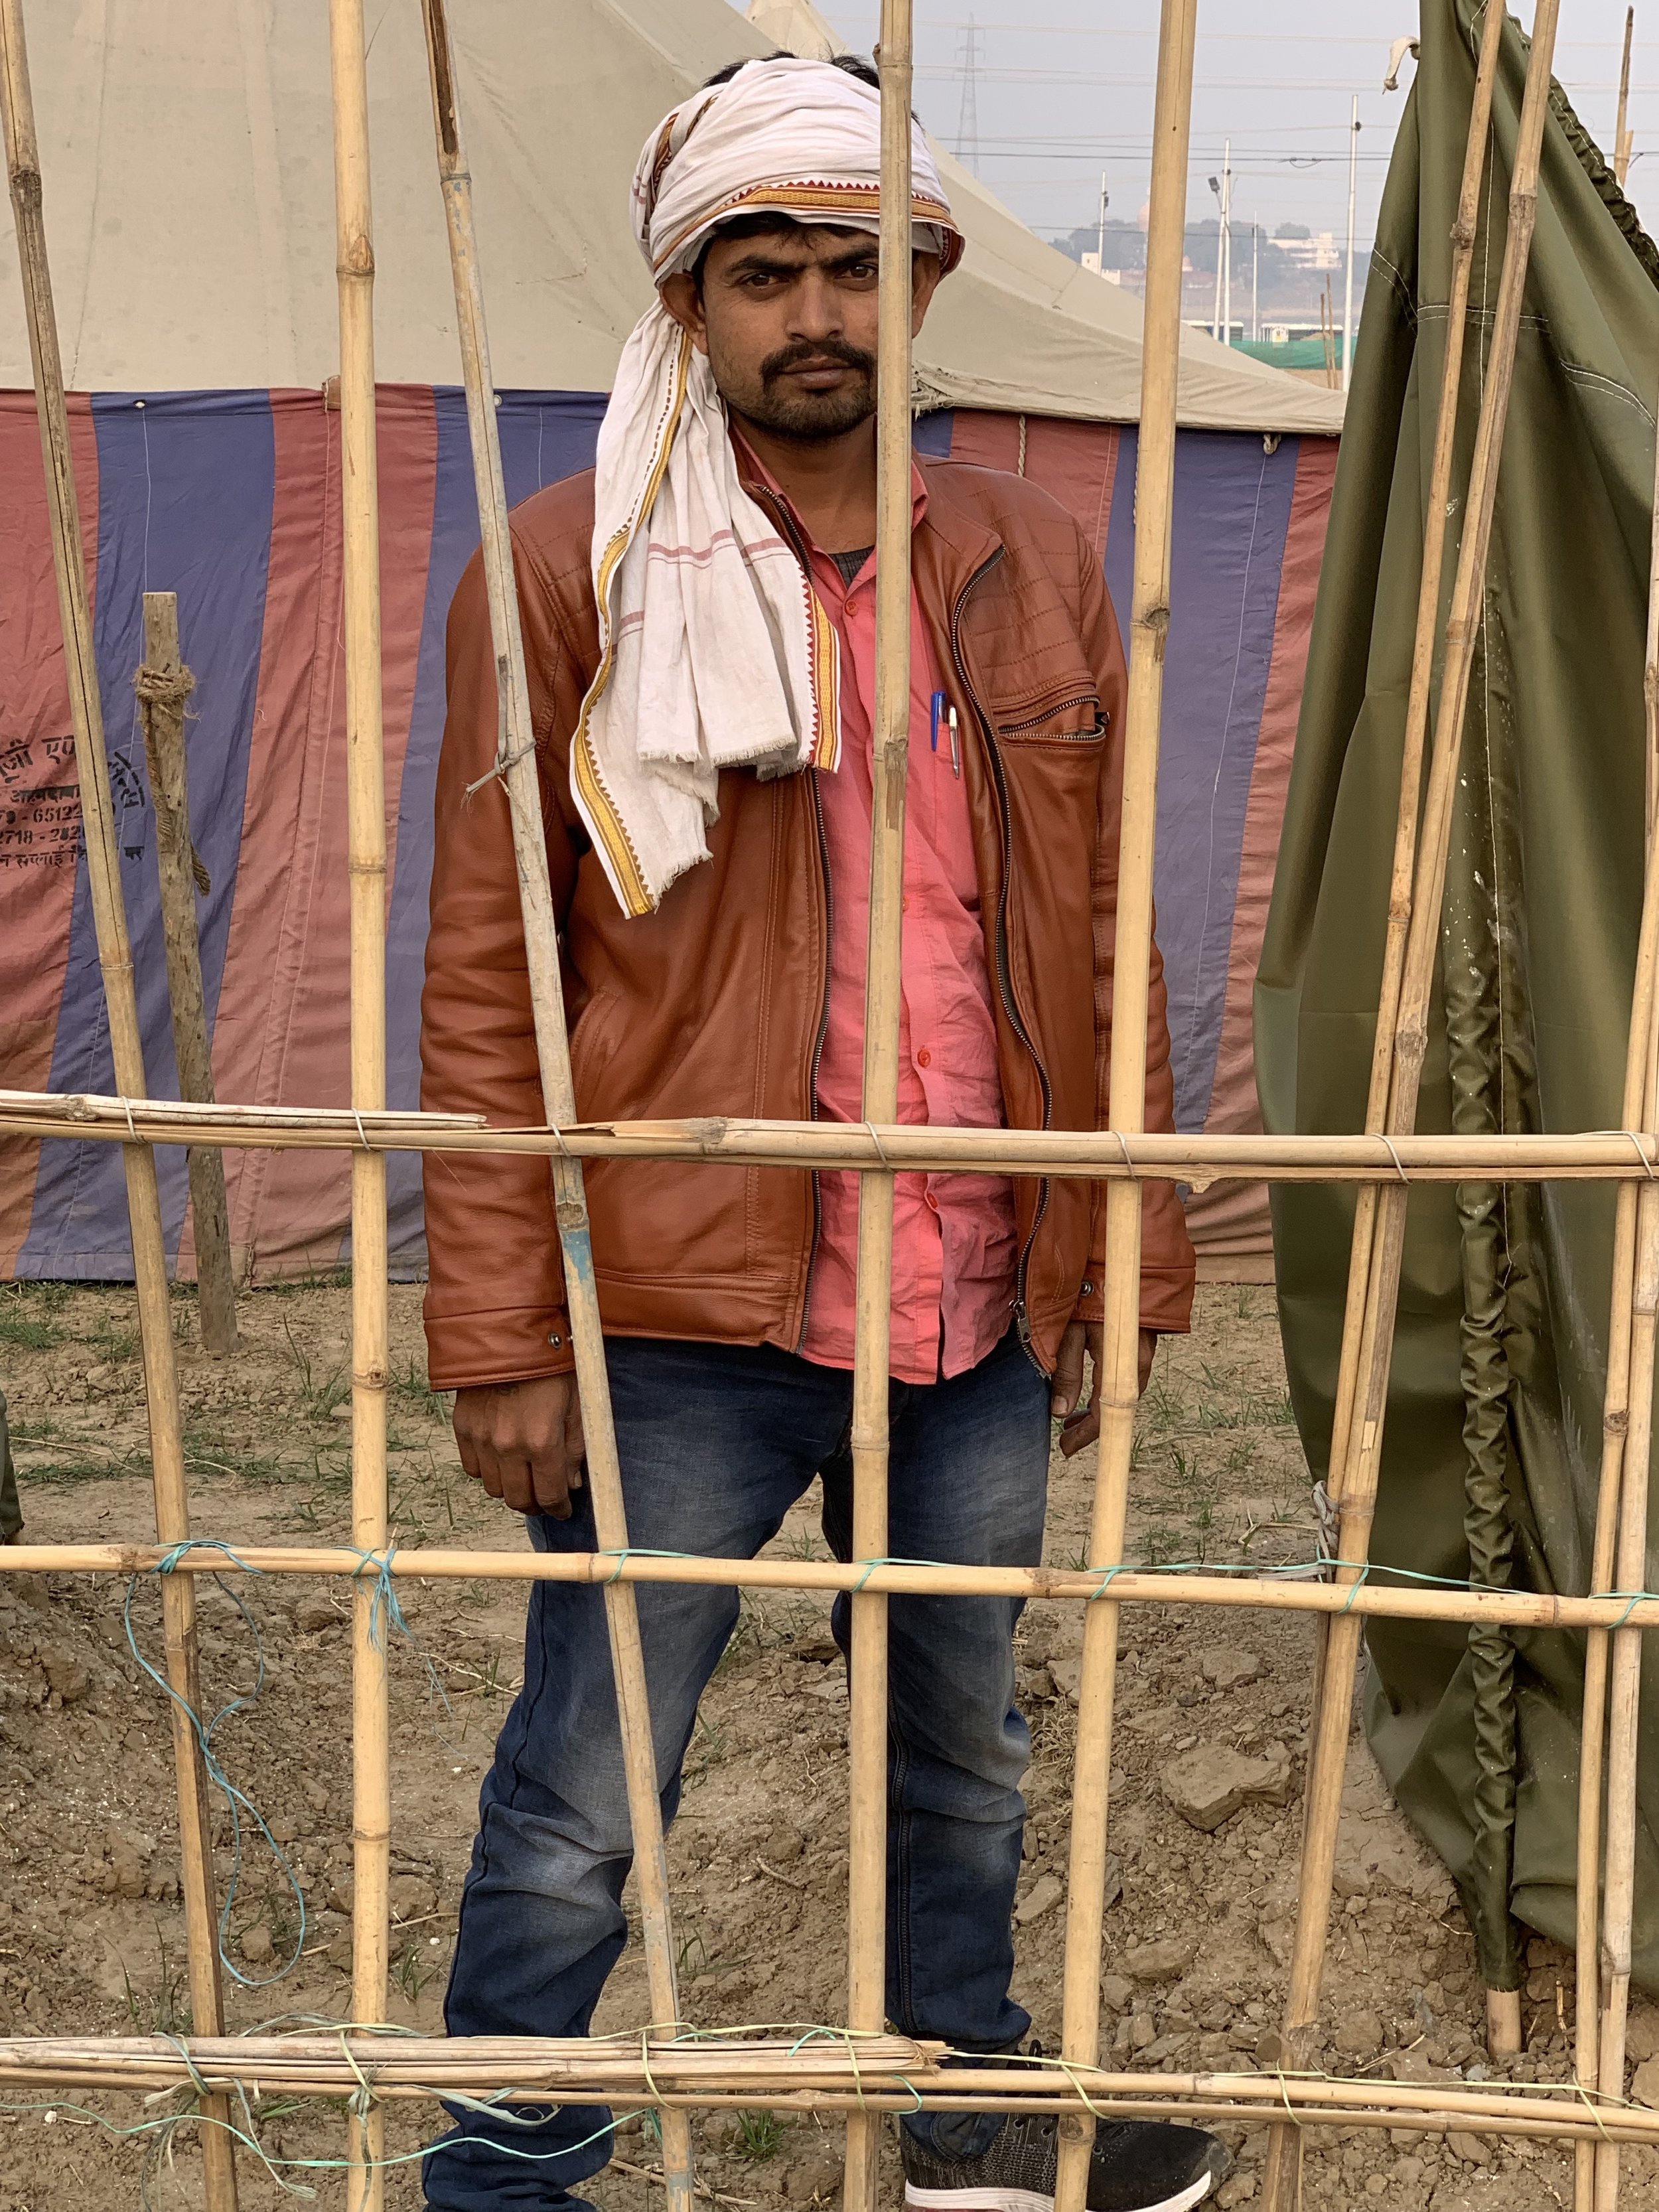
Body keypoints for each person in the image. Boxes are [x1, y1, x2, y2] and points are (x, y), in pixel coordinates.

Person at [419, 50, 1224, 2212]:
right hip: (688, 1308)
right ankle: (506, 2167)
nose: (813, 316)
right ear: (689, 305)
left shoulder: (1036, 567)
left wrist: (1125, 1256)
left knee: (957, 1745)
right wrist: (498, 1324)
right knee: (586, 1777)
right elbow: (493, 983)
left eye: (852, 268)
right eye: (760, 272)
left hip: (970, 1288)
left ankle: (961, 2120)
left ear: (924, 281)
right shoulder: (573, 565)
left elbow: (1099, 942)